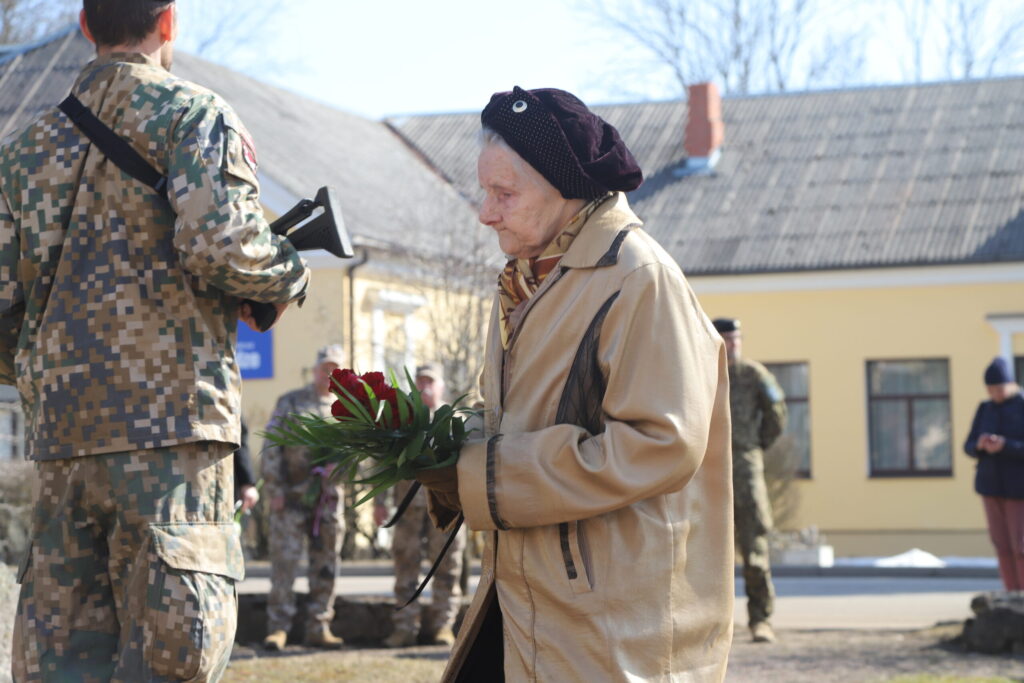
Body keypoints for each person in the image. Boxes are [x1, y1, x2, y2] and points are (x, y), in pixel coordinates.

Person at [0, 1, 310, 680]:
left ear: (85, 26)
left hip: (62, 446)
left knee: (59, 666)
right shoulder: (194, 116)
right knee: (171, 660)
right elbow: (220, 244)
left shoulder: (22, 151)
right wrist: (289, 269)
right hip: (171, 439)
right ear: (169, 21)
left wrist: (47, 376)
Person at [416, 86, 734, 682]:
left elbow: (661, 445)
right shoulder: (526, 279)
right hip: (522, 603)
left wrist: (482, 476)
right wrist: (438, 453)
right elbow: (516, 418)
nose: (486, 213)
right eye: (486, 191)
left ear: (566, 189)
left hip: (610, 625)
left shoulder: (638, 278)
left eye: (503, 193)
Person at [261, 344, 347, 651]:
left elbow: (360, 456)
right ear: (314, 370)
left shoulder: (349, 409)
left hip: (329, 501)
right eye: (324, 367)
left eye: (335, 368)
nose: (329, 373)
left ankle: (319, 625)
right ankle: (278, 628)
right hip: (291, 498)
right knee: (284, 563)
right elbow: (272, 446)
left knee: (326, 564)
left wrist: (342, 466)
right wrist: (274, 490)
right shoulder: (292, 402)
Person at [379, 363, 467, 648]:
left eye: (430, 381)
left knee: (447, 568)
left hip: (447, 506)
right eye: (420, 382)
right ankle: (404, 627)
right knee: (405, 568)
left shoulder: (457, 418)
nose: (424, 387)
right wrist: (379, 502)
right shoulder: (401, 420)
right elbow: (384, 462)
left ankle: (443, 627)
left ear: (441, 385)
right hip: (409, 509)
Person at [712, 317, 786, 644]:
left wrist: (755, 447)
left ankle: (761, 619)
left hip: (744, 465)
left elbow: (777, 415)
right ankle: (710, 625)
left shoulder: (754, 375)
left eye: (736, 338)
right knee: (707, 549)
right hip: (708, 467)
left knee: (754, 545)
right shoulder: (702, 374)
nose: (732, 344)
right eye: (727, 339)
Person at [964, 357, 1024, 590]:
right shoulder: (985, 408)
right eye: (990, 389)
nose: (994, 393)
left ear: (1011, 384)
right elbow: (967, 446)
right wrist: (979, 445)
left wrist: (1005, 445)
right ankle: (1010, 596)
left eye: (998, 388)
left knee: (1020, 546)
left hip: (1018, 490)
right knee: (1001, 545)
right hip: (990, 486)